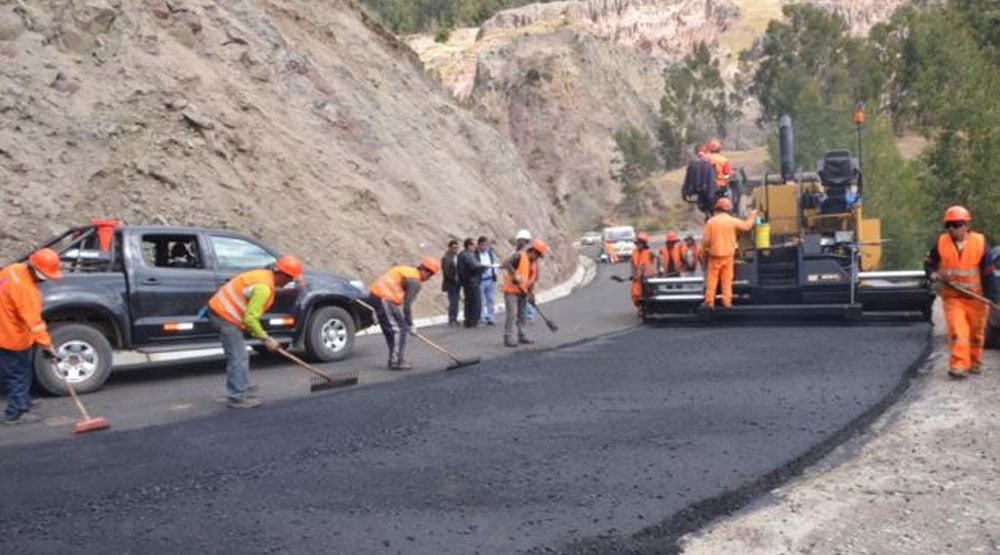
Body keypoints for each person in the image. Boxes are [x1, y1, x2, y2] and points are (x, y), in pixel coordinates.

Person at [208, 254, 304, 408]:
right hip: (224, 315)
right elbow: (250, 319)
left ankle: (243, 388)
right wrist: (266, 339)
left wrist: (261, 335)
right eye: (290, 279)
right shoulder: (264, 288)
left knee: (241, 355)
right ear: (282, 274)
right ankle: (237, 396)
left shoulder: (265, 276)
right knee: (238, 357)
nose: (289, 282)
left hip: (223, 311)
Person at [924, 206, 997, 379]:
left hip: (976, 298)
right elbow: (928, 263)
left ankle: (974, 362)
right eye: (948, 225)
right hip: (953, 297)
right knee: (958, 332)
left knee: (976, 334)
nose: (951, 229)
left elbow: (988, 273)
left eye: (955, 225)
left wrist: (994, 298)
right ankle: (958, 365)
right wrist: (932, 273)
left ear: (965, 225)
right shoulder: (942, 243)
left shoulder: (979, 243)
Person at [0, 248, 62, 424]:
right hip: (10, 336)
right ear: (37, 270)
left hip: (4, 329)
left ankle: (23, 400)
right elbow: (35, 324)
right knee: (17, 374)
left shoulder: (13, 269)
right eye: (46, 275)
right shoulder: (26, 290)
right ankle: (16, 413)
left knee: (20, 370)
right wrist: (47, 346)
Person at [368, 258, 439, 370]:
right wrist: (411, 324)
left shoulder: (406, 270)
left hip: (377, 297)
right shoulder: (415, 281)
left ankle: (397, 358)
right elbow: (407, 307)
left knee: (399, 327)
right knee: (398, 330)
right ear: (426, 271)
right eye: (430, 276)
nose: (429, 279)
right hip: (383, 299)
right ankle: (395, 361)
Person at [700, 197, 757, 308]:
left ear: (717, 209)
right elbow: (746, 227)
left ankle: (709, 303)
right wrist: (753, 215)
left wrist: (703, 254)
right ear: (728, 209)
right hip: (728, 256)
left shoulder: (711, 222)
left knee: (712, 281)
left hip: (715, 256)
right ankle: (727, 303)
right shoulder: (732, 221)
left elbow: (705, 241)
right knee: (727, 281)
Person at [502, 238, 549, 347]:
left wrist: (531, 294)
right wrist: (515, 274)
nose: (537, 258)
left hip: (523, 292)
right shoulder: (519, 256)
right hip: (511, 291)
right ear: (532, 251)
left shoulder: (534, 264)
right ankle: (508, 337)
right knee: (512, 315)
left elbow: (532, 280)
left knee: (522, 315)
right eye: (537, 255)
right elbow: (506, 263)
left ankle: (522, 335)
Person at [681, 144, 718, 219]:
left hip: (695, 192)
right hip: (707, 193)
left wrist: (684, 193)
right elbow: (711, 181)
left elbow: (687, 180)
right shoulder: (709, 164)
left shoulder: (692, 164)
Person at [457, 237, 483, 328]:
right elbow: (475, 266)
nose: (475, 246)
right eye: (473, 244)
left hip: (466, 282)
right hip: (472, 281)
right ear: (469, 245)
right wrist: (483, 267)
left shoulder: (461, 255)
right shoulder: (468, 255)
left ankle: (468, 320)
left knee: (468, 302)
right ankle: (473, 321)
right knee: (475, 302)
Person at [514, 229, 537, 322]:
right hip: (520, 278)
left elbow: (532, 268)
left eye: (520, 240)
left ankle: (530, 315)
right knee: (521, 297)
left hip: (527, 278)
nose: (518, 242)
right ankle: (523, 315)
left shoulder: (529, 252)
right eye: (518, 240)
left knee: (528, 295)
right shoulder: (518, 251)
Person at [630, 232, 655, 317]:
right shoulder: (634, 252)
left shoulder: (649, 252)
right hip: (637, 278)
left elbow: (658, 259)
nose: (638, 244)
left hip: (648, 278)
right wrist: (633, 274)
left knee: (648, 294)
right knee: (635, 294)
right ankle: (640, 307)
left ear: (644, 244)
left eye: (639, 243)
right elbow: (632, 263)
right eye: (637, 243)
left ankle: (646, 309)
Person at [477, 236, 499, 325]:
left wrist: (494, 272)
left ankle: (491, 317)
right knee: (481, 300)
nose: (484, 247)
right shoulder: (476, 254)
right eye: (482, 245)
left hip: (490, 279)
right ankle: (482, 316)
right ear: (479, 245)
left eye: (485, 245)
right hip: (481, 279)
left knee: (491, 299)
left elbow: (494, 263)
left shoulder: (489, 253)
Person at [440, 239, 461, 326]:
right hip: (451, 283)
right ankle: (451, 319)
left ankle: (455, 318)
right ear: (449, 248)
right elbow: (446, 272)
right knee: (453, 301)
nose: (455, 249)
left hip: (458, 282)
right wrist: (453, 279)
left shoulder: (457, 257)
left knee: (456, 301)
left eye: (457, 247)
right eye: (453, 247)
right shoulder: (446, 258)